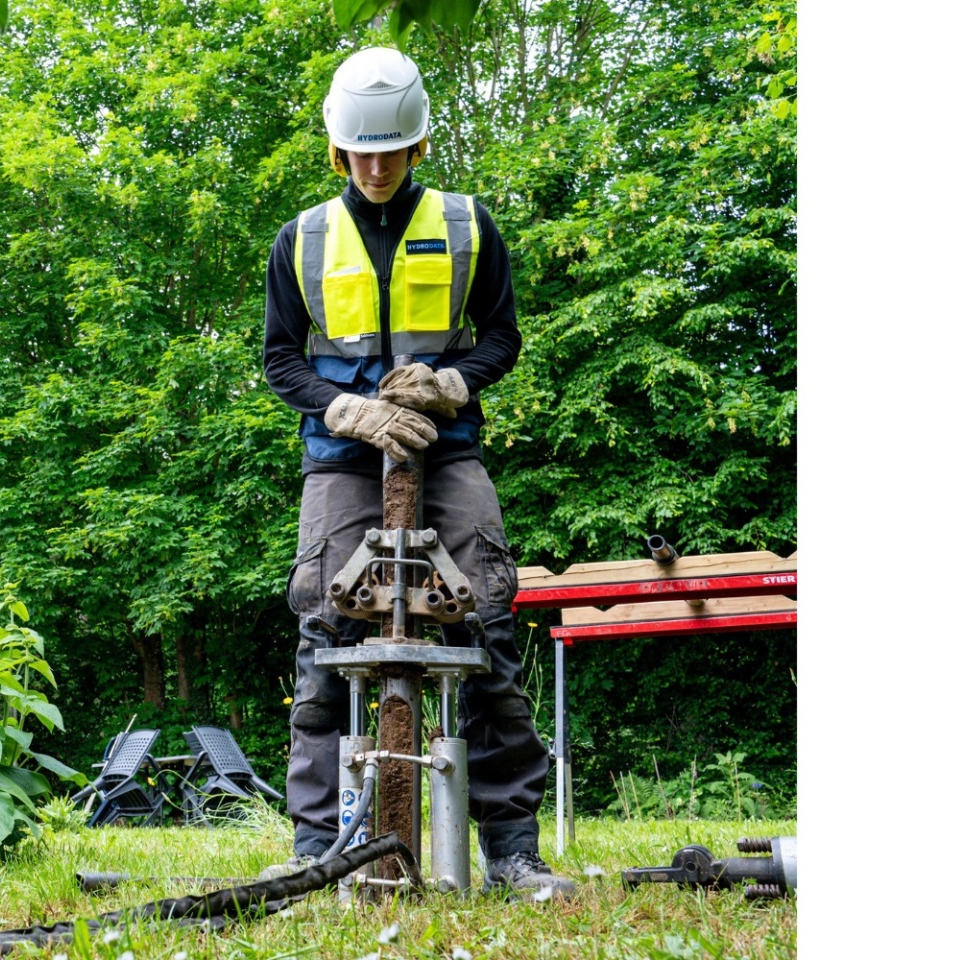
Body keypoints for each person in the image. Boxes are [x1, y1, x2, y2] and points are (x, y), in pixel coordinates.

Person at [260, 46, 574, 899]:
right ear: (337, 150)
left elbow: (502, 336)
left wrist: (454, 383)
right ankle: (315, 847)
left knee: (487, 627)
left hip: (449, 454)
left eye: (391, 152)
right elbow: (280, 359)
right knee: (324, 636)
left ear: (419, 144)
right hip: (341, 461)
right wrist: (344, 409)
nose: (376, 168)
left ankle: (512, 852)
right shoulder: (302, 240)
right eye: (361, 154)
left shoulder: (468, 226)